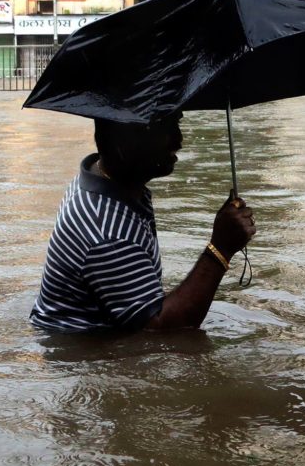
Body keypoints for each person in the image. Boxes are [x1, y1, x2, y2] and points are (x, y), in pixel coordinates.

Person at [30, 113, 257, 333]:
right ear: (127, 139)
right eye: (165, 128)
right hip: (84, 351)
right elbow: (162, 331)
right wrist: (220, 249)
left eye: (176, 123)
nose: (179, 140)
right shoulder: (108, 233)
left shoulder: (105, 178)